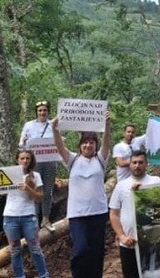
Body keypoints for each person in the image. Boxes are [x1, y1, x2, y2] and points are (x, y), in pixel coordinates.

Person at [51, 114, 111, 278]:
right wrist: (55, 128)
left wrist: (106, 126)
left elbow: (106, 142)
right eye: (85, 142)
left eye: (91, 142)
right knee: (80, 249)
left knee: (96, 251)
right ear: (80, 146)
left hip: (98, 212)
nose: (88, 145)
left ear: (95, 145)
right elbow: (59, 146)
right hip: (77, 214)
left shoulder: (100, 159)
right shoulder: (72, 160)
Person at [0, 150, 50, 278]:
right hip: (10, 217)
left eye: (27, 158)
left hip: (29, 216)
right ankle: (19, 276)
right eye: (22, 158)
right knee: (15, 250)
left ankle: (44, 275)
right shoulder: (9, 174)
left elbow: (40, 198)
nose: (25, 161)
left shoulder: (35, 176)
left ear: (31, 161)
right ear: (17, 160)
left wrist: (28, 188)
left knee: (35, 248)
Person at [109, 150, 160, 278]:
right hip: (128, 243)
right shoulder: (121, 185)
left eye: (140, 162)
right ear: (130, 164)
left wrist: (141, 193)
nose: (137, 165)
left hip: (151, 242)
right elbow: (113, 214)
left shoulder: (155, 181)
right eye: (134, 162)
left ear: (146, 164)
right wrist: (122, 236)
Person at [19, 100, 56, 232]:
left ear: (48, 112)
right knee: (33, 191)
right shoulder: (28, 125)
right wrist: (24, 143)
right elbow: (21, 145)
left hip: (50, 162)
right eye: (40, 110)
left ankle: (45, 219)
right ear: (36, 112)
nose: (42, 112)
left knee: (47, 192)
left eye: (45, 110)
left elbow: (57, 142)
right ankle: (33, 220)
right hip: (34, 163)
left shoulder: (53, 125)